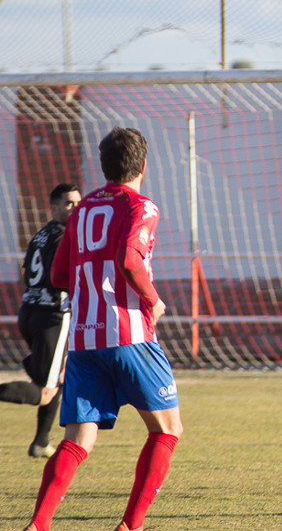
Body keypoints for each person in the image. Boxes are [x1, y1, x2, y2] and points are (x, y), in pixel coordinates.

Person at [23, 127, 182, 531]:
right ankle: (131, 525)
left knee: (78, 439)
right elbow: (129, 259)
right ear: (143, 166)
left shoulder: (83, 210)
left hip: (83, 340)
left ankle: (38, 525)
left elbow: (59, 275)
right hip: (130, 336)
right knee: (166, 429)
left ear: (104, 166)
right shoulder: (141, 206)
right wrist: (152, 299)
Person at [0, 183, 81, 458]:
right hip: (52, 318)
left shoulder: (41, 235)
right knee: (45, 391)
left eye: (77, 202)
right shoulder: (63, 237)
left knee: (58, 377)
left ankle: (40, 442)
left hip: (30, 312)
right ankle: (41, 440)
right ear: (54, 207)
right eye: (68, 203)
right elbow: (62, 278)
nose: (75, 208)